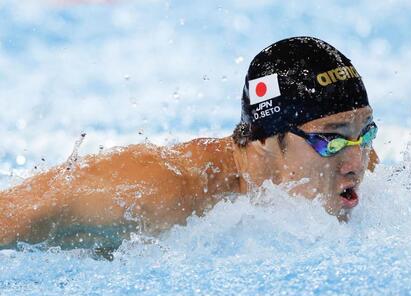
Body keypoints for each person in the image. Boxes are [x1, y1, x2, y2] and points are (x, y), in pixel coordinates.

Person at [0, 37, 378, 248]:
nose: (356, 161)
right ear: (265, 138)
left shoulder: (352, 161)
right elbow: (10, 215)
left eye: (364, 131)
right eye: (332, 137)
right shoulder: (157, 188)